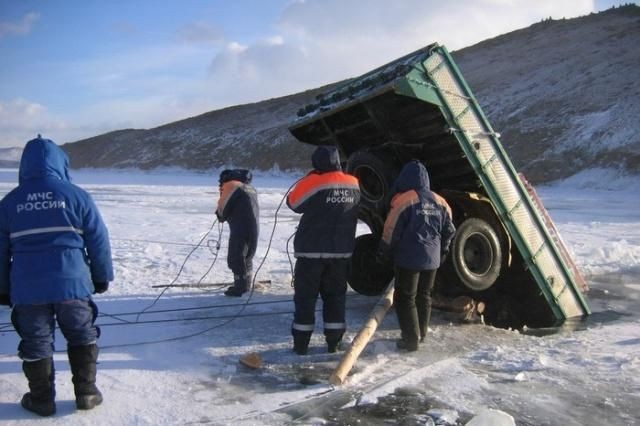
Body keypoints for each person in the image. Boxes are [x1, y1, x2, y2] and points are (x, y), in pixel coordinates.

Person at [0, 136, 114, 416]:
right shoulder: (77, 196)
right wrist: (101, 276)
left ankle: (41, 400)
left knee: (36, 341)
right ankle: (86, 393)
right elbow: (98, 240)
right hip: (72, 284)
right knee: (80, 334)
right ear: (60, 163)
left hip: (28, 288)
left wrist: (2, 288)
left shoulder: (9, 203)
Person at [286, 145, 360, 355]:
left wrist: (308, 180)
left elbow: (293, 203)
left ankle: (301, 344)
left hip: (311, 252)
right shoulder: (354, 184)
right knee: (336, 297)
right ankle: (333, 343)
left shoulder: (313, 182)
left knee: (305, 298)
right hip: (341, 252)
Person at [377, 160, 455, 352]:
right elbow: (450, 230)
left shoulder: (405, 200)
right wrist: (442, 250)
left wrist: (383, 252)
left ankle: (410, 339)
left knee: (405, 297)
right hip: (432, 259)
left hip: (408, 258)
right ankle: (422, 333)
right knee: (424, 295)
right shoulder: (441, 201)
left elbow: (391, 230)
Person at [215, 169, 259, 297]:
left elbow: (221, 213)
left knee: (236, 258)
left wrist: (221, 196)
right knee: (247, 257)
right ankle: (246, 284)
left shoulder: (231, 185)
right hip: (253, 227)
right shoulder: (249, 188)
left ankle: (240, 287)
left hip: (240, 228)